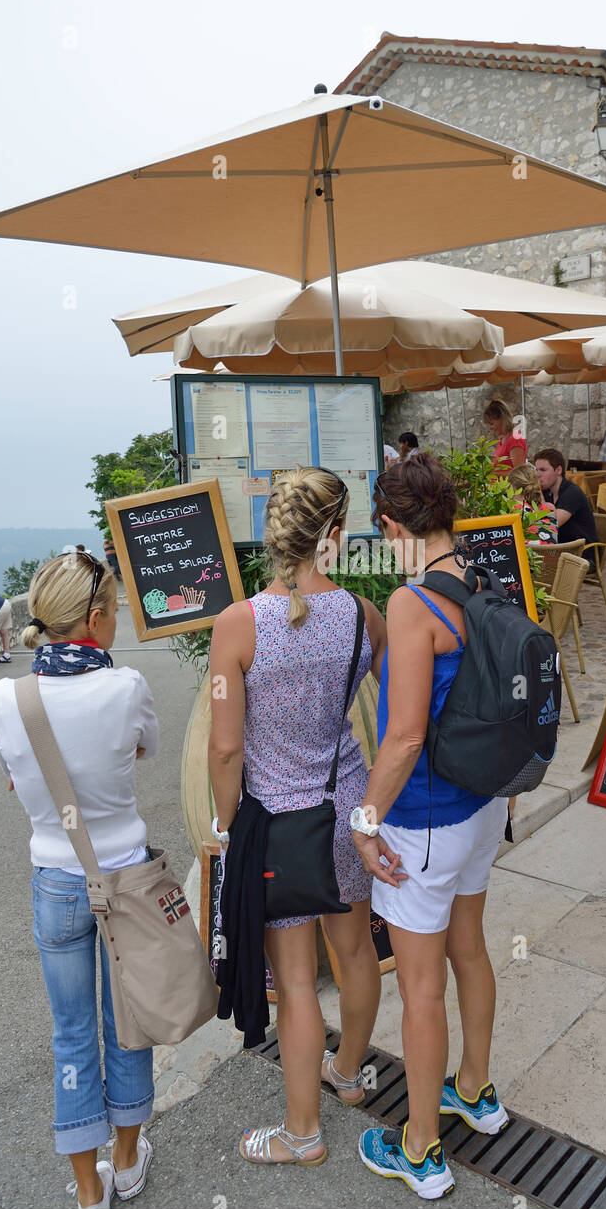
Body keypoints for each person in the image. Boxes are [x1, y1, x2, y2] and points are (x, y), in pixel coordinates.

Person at [208, 467, 387, 1165]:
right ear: (333, 537)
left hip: (280, 824)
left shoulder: (239, 623)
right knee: (355, 951)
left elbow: (226, 747)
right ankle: (347, 1077)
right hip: (347, 807)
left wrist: (225, 828)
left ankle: (302, 1134)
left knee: (295, 978)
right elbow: (396, 698)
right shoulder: (362, 615)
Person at [351, 452, 510, 1200]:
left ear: (391, 525)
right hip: (485, 806)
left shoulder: (415, 603)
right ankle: (474, 1090)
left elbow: (405, 736)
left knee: (419, 988)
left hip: (423, 822)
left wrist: (364, 817)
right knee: (469, 950)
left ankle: (420, 1149)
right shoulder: (486, 578)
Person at [0, 552, 158, 1209]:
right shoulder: (126, 686)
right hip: (127, 881)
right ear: (93, 619)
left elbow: (14, 772)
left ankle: (89, 1191)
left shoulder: (7, 697)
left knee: (73, 1033)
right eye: (113, 610)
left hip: (56, 881)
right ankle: (126, 1157)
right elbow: (144, 747)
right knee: (127, 1022)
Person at [534, 449, 598, 565]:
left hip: (582, 557)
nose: (537, 475)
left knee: (533, 565)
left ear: (558, 470)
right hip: (562, 551)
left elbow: (550, 525)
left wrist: (537, 491)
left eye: (543, 470)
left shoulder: (572, 493)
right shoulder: (548, 492)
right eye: (536, 470)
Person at [507, 463, 558, 543]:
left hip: (528, 554)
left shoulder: (513, 509)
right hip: (551, 554)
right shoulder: (550, 508)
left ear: (511, 487)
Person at [483, 399, 527, 474]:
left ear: (502, 419)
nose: (491, 428)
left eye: (492, 423)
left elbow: (519, 473)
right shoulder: (502, 439)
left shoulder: (515, 440)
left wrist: (491, 473)